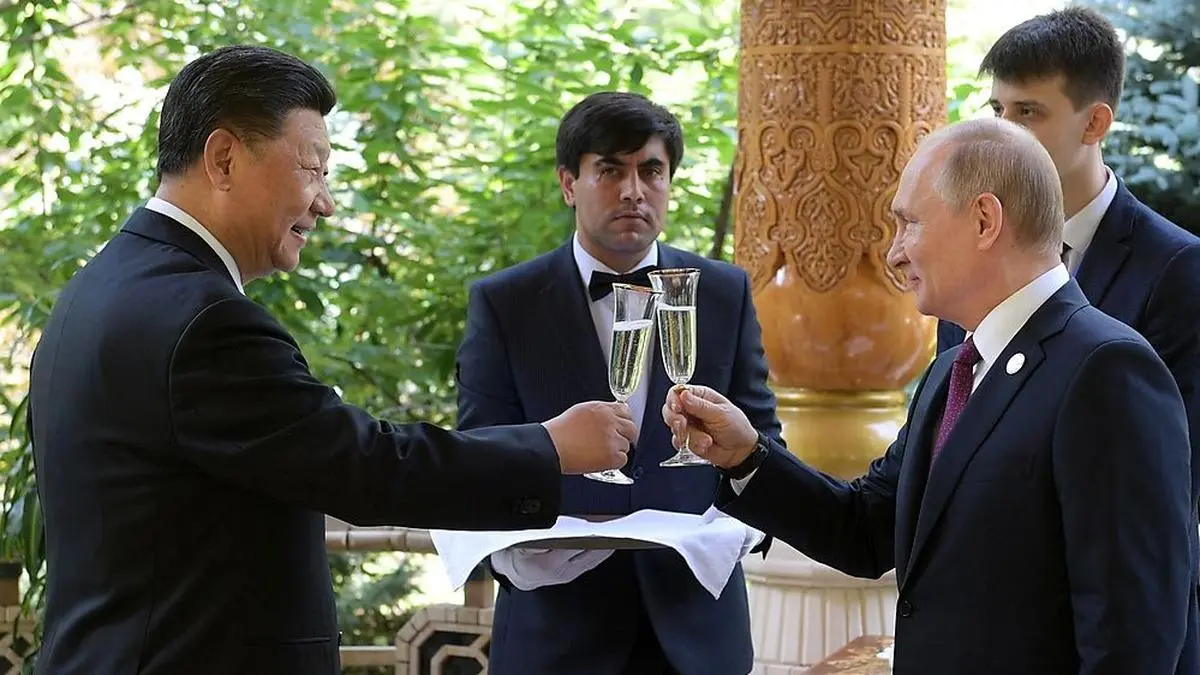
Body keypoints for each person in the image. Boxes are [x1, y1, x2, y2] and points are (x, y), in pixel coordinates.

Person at [26, 45, 637, 675]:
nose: (325, 202)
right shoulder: (204, 320)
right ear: (224, 158)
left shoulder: (96, 291)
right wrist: (548, 447)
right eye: (312, 169)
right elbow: (362, 464)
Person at [663, 117, 1197, 674]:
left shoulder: (1106, 369)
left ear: (985, 220)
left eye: (909, 224)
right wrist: (747, 456)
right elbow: (866, 528)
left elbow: (1132, 636)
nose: (894, 253)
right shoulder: (952, 370)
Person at [455, 91, 782, 675]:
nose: (633, 190)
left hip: (698, 631)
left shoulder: (723, 292)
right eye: (610, 170)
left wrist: (740, 533)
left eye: (651, 171)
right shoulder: (505, 302)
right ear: (568, 183)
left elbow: (763, 444)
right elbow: (481, 453)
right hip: (555, 632)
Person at [939, 6, 1200, 516]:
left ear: (1095, 123)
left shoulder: (1177, 270)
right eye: (998, 110)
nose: (1002, 134)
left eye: (1028, 112)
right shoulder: (969, 259)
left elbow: (1172, 484)